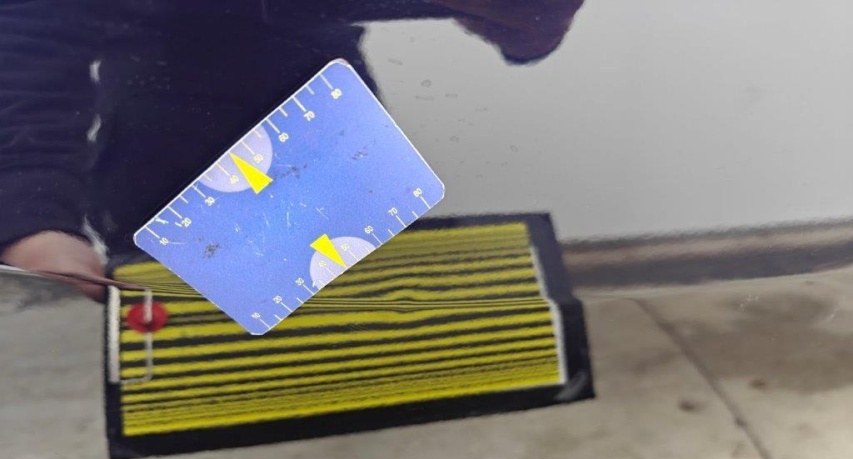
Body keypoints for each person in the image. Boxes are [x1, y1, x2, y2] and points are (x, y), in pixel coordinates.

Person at [0, 0, 584, 301]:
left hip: (329, 112)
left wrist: (528, 22)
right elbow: (35, 21)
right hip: (171, 132)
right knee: (206, 375)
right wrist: (31, 201)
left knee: (361, 348)